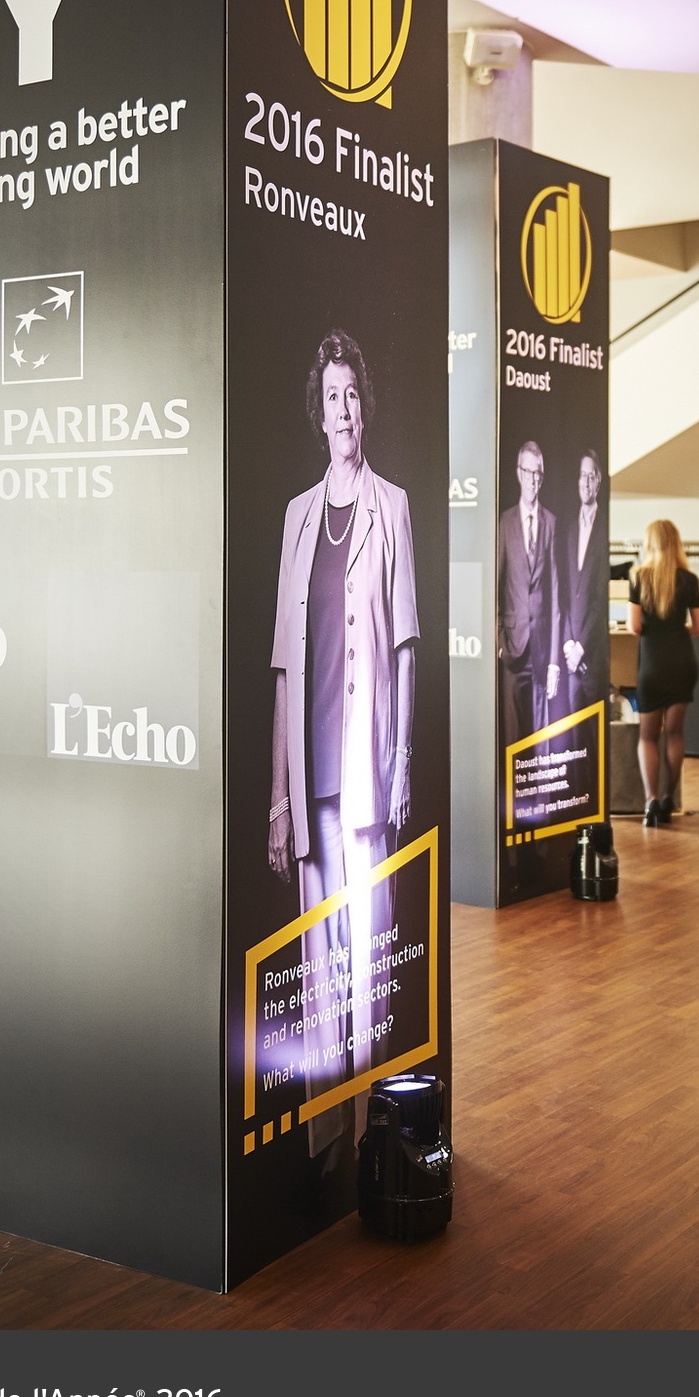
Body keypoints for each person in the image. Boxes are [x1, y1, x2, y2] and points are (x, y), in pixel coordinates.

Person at [268, 331, 418, 1163]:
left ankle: (373, 1131)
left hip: (366, 770)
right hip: (310, 772)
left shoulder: (392, 505)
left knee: (370, 955)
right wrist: (278, 799)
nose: (345, 409)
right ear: (318, 413)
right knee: (320, 962)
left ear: (367, 406)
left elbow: (406, 649)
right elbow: (283, 669)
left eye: (354, 393)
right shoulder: (296, 517)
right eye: (332, 396)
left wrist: (402, 767)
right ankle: (327, 1136)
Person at [627, 520, 699, 826]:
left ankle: (651, 800)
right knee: (675, 733)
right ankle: (670, 798)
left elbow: (634, 626)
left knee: (647, 736)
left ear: (649, 543)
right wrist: (676, 628)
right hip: (683, 662)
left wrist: (655, 628)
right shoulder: (689, 579)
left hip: (652, 664)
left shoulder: (639, 576)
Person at [497, 440, 560, 738]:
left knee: (540, 741)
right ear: (518, 473)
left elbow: (555, 596)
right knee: (513, 737)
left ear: (542, 477)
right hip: (512, 648)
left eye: (538, 473)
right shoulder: (504, 522)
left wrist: (554, 662)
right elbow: (495, 588)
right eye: (528, 471)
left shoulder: (552, 523)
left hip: (542, 651)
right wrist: (499, 641)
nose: (533, 479)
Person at [562, 448, 606, 714]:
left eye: (591, 476)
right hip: (570, 660)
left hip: (592, 658)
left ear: (598, 482)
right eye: (582, 475)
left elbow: (600, 598)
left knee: (592, 731)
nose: (586, 482)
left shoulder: (605, 529)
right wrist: (569, 644)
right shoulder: (568, 529)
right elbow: (565, 592)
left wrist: (582, 647)